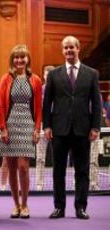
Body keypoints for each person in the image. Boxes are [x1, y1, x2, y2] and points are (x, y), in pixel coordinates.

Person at [43, 36, 101, 220]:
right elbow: (47, 103)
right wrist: (47, 126)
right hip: (59, 130)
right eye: (65, 48)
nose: (68, 51)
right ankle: (59, 208)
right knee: (58, 171)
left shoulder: (92, 73)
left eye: (71, 48)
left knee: (82, 171)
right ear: (62, 51)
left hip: (83, 130)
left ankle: (81, 207)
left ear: (78, 48)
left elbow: (97, 103)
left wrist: (95, 127)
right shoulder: (53, 74)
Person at [0, 44, 42, 219]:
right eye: (16, 57)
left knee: (24, 168)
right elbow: (1, 105)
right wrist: (3, 128)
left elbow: (38, 107)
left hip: (27, 125)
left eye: (22, 57)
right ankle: (16, 205)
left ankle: (25, 205)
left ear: (27, 59)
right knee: (11, 168)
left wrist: (37, 129)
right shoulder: (6, 79)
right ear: (12, 60)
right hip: (10, 125)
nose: (19, 60)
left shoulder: (36, 80)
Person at [35, 65, 55, 191]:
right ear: (44, 75)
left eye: (50, 75)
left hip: (57, 126)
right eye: (46, 75)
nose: (47, 77)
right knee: (40, 157)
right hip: (42, 125)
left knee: (58, 157)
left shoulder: (60, 89)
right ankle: (39, 184)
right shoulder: (40, 90)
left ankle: (57, 183)